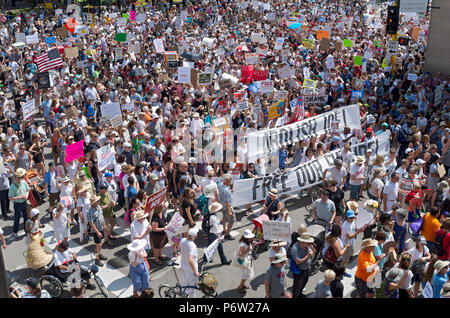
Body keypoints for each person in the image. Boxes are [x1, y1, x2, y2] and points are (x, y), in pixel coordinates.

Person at [290, 232, 315, 298]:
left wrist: (313, 250)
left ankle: (300, 294)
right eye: (307, 242)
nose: (309, 243)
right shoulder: (295, 248)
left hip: (306, 269)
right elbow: (298, 262)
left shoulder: (308, 246)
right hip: (299, 271)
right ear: (302, 242)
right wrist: (308, 256)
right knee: (297, 287)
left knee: (304, 282)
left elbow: (313, 255)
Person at [341, 210, 363, 276]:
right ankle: (342, 272)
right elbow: (349, 237)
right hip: (346, 245)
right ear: (346, 217)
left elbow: (356, 218)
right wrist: (358, 231)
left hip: (351, 243)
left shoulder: (353, 220)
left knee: (348, 258)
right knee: (345, 260)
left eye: (353, 217)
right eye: (350, 218)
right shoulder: (345, 225)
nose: (352, 219)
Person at [9, 168, 29, 239]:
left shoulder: (23, 181)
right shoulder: (13, 186)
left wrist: (26, 196)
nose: (24, 177)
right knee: (17, 218)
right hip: (17, 204)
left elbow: (27, 190)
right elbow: (10, 198)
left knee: (26, 217)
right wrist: (20, 197)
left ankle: (26, 230)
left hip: (24, 202)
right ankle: (15, 232)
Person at [87, 195, 107, 266]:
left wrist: (104, 225)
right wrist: (97, 232)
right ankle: (97, 258)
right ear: (93, 203)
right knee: (99, 244)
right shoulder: (90, 212)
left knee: (100, 243)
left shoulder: (98, 207)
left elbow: (102, 216)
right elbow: (91, 223)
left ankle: (99, 253)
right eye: (97, 201)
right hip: (95, 230)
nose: (99, 202)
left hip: (101, 227)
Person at [180, 228, 200, 298]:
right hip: (191, 269)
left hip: (183, 266)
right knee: (192, 286)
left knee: (184, 282)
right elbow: (190, 260)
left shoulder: (183, 240)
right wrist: (196, 272)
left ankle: (183, 294)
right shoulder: (192, 245)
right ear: (195, 236)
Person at [235, 229, 255, 294]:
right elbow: (240, 254)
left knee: (246, 274)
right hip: (242, 260)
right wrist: (248, 250)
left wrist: (252, 245)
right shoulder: (243, 245)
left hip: (245, 259)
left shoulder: (248, 242)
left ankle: (242, 285)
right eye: (251, 237)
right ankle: (240, 287)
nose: (252, 237)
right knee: (245, 274)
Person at [217, 174, 235, 240]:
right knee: (232, 220)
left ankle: (224, 229)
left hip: (222, 205)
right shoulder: (225, 190)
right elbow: (227, 202)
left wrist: (230, 191)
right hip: (227, 207)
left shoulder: (221, 184)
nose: (231, 182)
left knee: (224, 217)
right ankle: (227, 234)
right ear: (226, 181)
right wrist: (229, 211)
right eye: (230, 181)